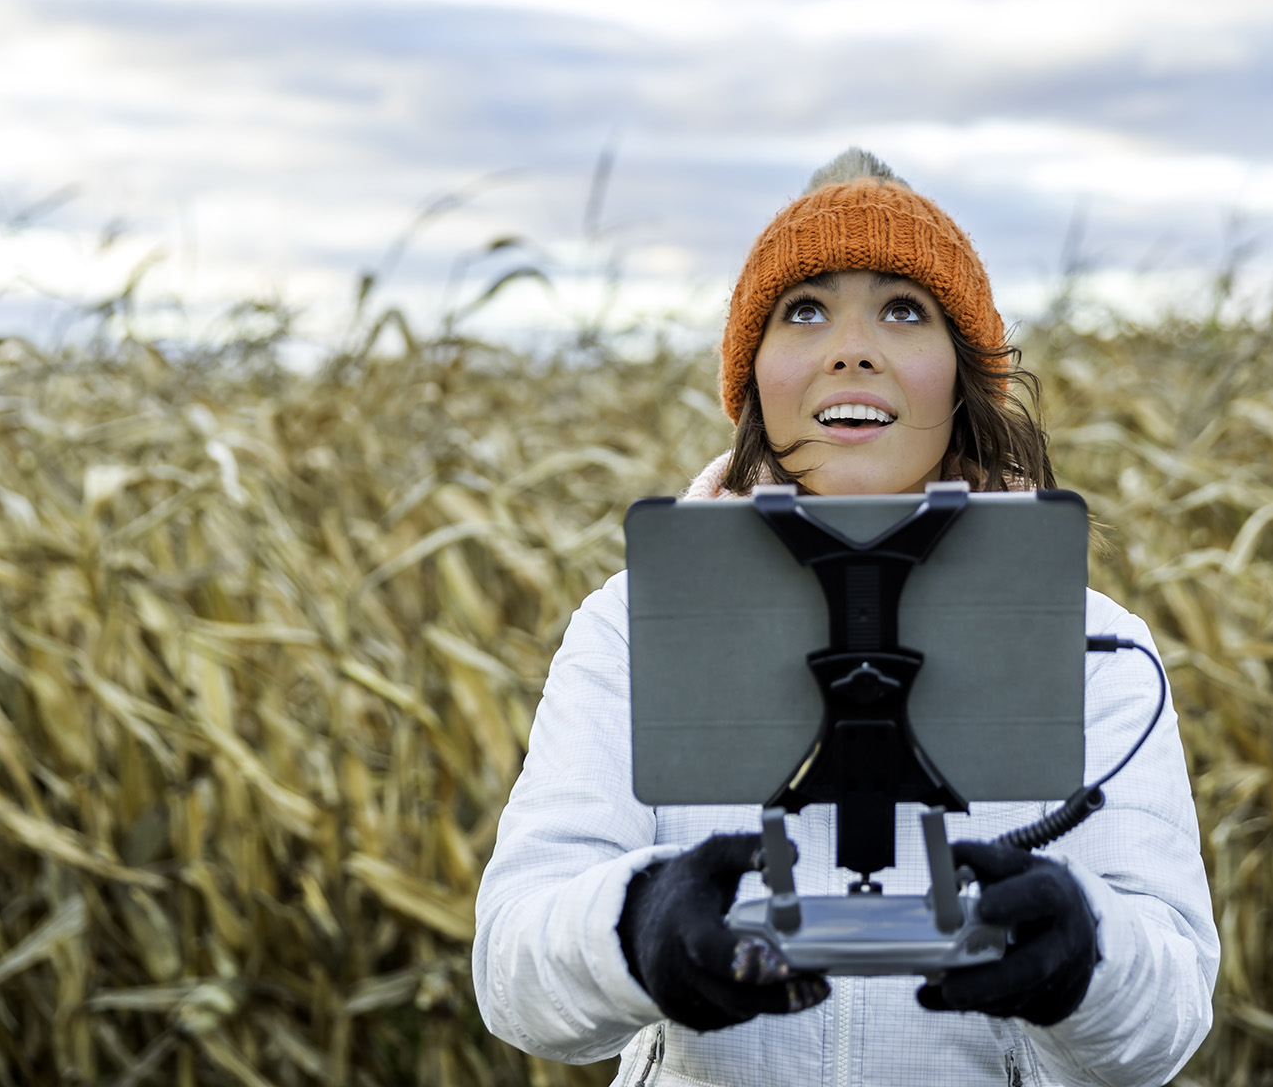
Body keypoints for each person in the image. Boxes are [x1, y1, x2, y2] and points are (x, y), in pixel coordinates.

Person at [471, 151, 1217, 1087]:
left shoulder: (1094, 650)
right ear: (752, 381)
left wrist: (1085, 959)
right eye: (805, 310)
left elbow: (1170, 1016)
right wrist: (638, 925)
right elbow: (513, 973)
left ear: (964, 378)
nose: (850, 348)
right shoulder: (634, 626)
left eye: (903, 309)